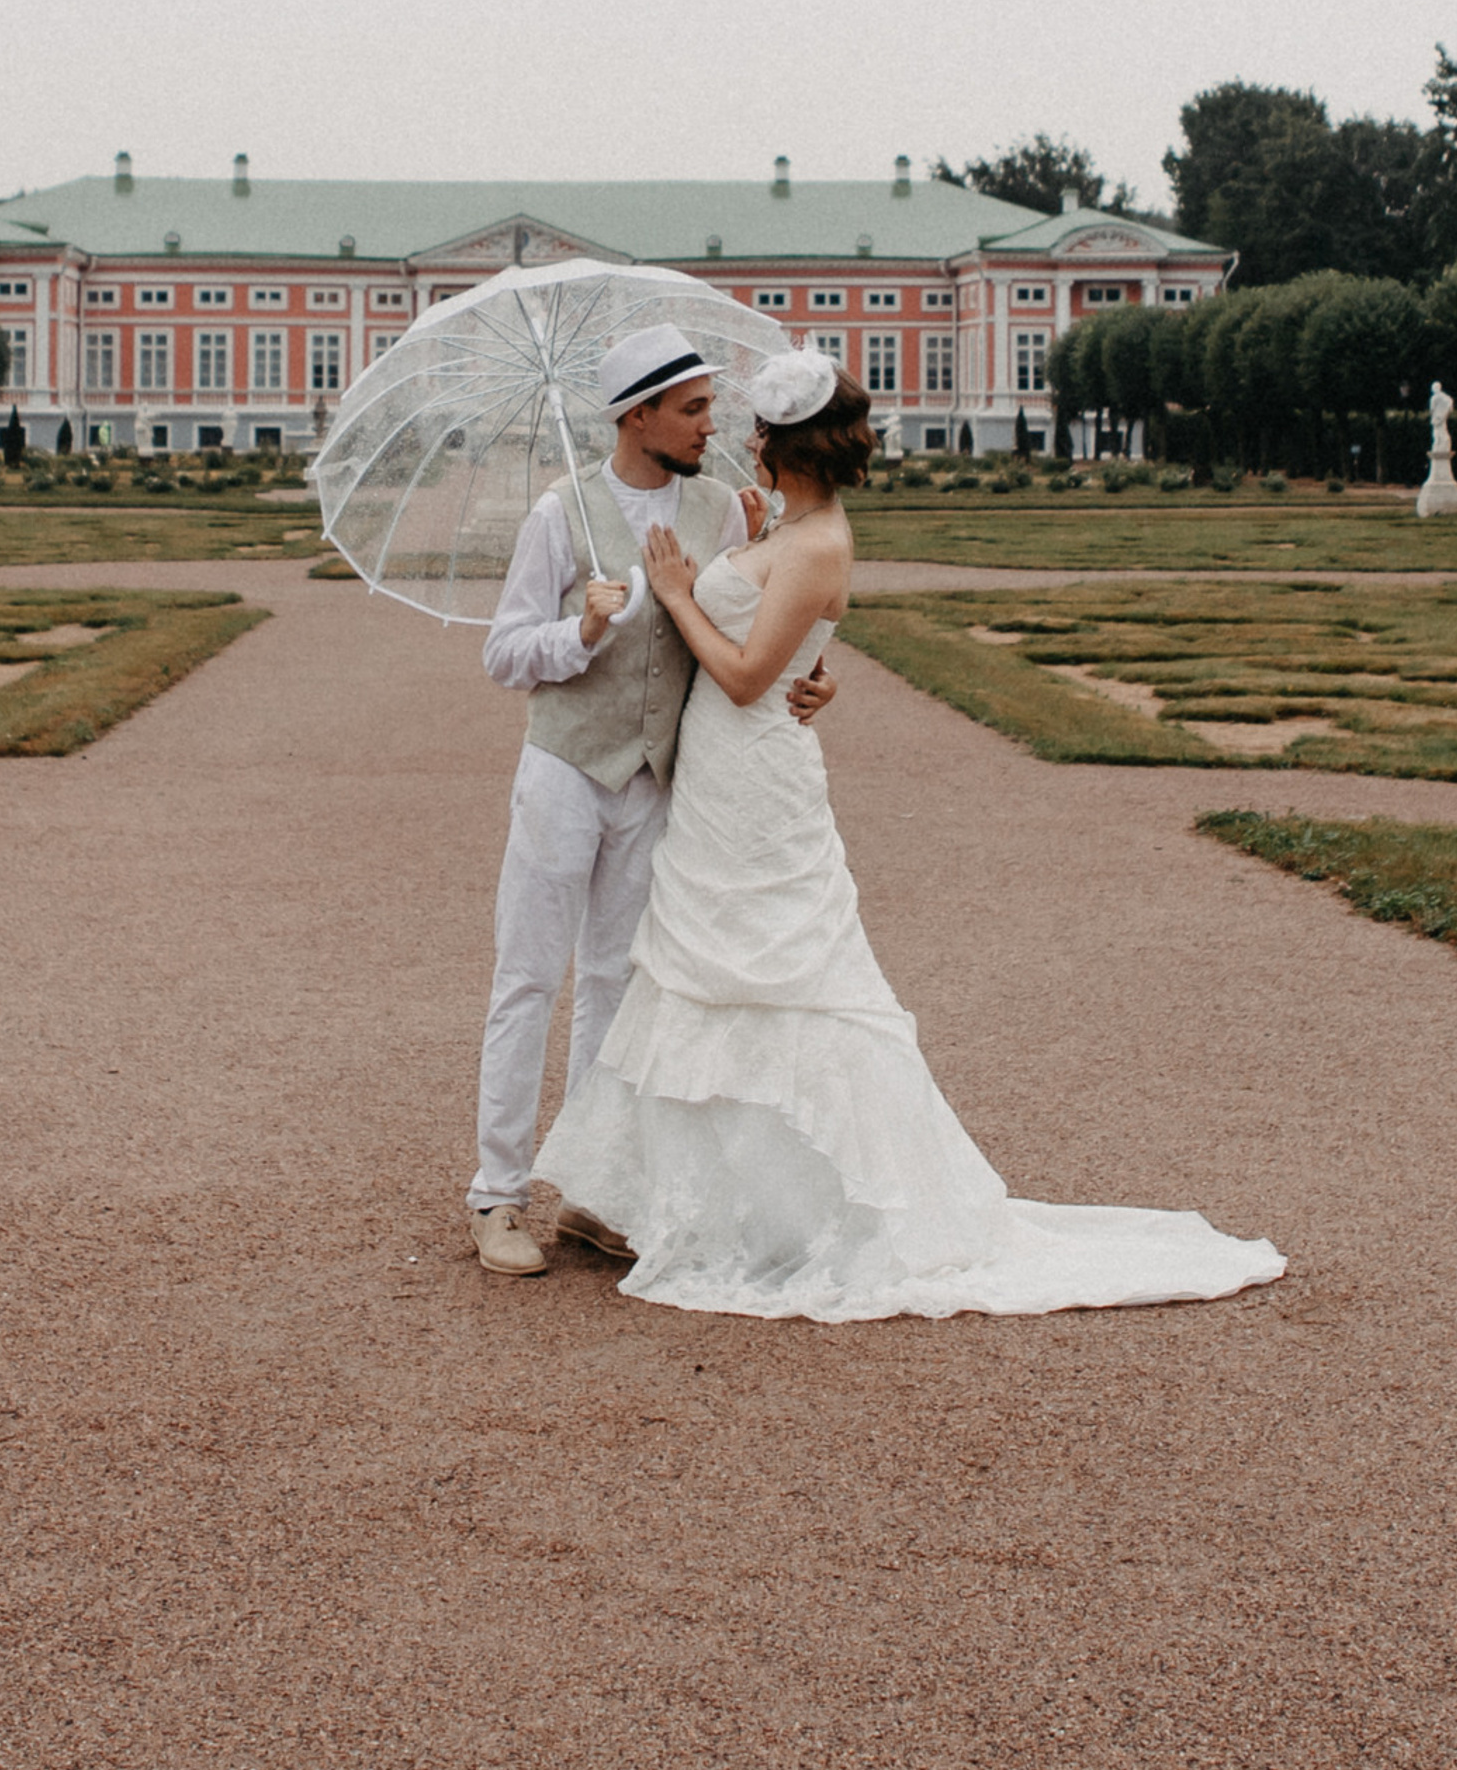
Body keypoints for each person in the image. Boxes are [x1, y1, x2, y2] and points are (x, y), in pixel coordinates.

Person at [535, 349, 1284, 1322]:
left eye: (757, 434)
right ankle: (672, 1195)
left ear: (788, 448)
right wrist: (768, 602)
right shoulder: (784, 527)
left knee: (785, 977)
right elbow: (790, 652)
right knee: (692, 972)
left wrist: (680, 593)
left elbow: (749, 676)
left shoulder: (820, 546)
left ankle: (803, 1210)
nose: (742, 443)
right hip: (715, 781)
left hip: (756, 774)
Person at [468, 321, 834, 1279]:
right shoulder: (561, 513)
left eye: (712, 406)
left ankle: (593, 1193)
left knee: (617, 989)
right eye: (695, 408)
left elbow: (769, 611)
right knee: (529, 979)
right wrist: (576, 632)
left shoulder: (728, 510)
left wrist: (813, 675)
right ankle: (496, 1196)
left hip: (657, 778)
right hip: (563, 768)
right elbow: (504, 653)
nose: (714, 424)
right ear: (640, 416)